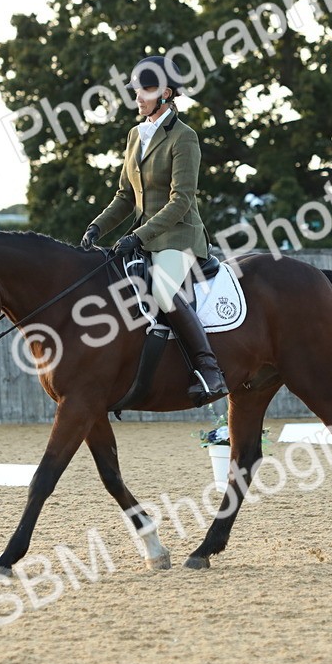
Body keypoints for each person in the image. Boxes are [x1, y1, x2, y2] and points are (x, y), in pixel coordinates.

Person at [80, 55, 229, 407]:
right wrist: (97, 226)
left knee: (162, 288)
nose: (138, 97)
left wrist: (138, 236)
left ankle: (210, 371)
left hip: (178, 237)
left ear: (166, 92)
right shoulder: (136, 135)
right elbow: (124, 195)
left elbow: (180, 201)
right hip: (144, 238)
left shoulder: (184, 137)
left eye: (146, 90)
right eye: (137, 91)